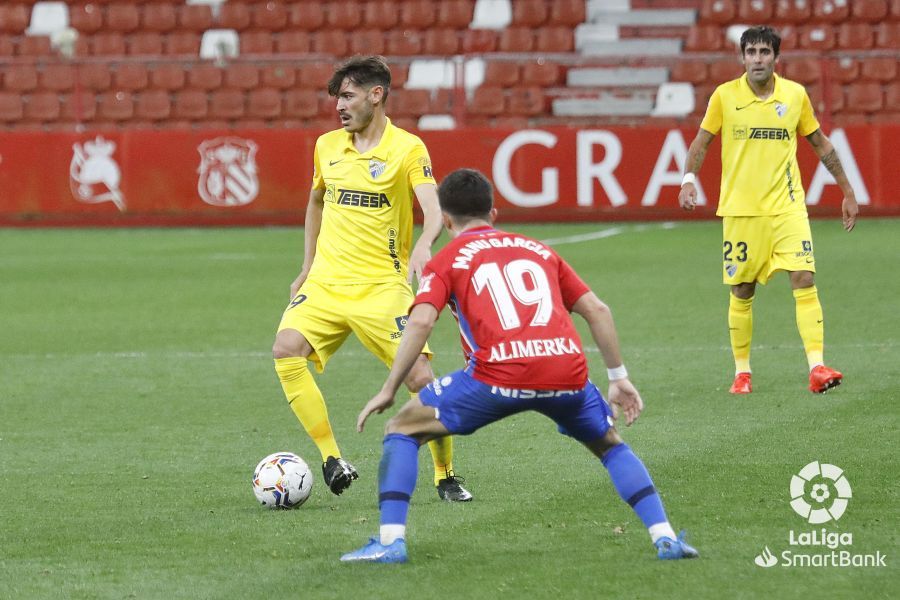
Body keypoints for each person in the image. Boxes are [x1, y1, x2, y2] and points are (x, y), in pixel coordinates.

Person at [340, 169, 699, 563]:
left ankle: (391, 542)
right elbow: (597, 309)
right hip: (566, 372)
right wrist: (618, 378)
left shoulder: (447, 258)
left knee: (402, 428)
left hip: (497, 375)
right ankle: (665, 538)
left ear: (444, 219)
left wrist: (390, 389)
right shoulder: (538, 249)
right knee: (609, 446)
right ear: (493, 212)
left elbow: (422, 321)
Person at [272, 55, 472, 502]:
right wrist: (306, 267)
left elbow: (433, 206)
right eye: (337, 98)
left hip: (382, 286)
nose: (339, 106)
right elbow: (317, 201)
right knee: (286, 350)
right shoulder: (327, 146)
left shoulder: (407, 148)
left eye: (347, 96)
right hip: (326, 282)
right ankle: (330, 458)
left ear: (375, 95)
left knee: (421, 378)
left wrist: (425, 242)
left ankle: (445, 474)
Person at [679, 26, 859, 395]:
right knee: (742, 290)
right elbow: (702, 141)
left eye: (764, 52)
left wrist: (847, 189)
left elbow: (820, 144)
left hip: (787, 208)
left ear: (776, 58)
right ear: (741, 57)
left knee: (804, 279)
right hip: (742, 212)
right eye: (751, 52)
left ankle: (817, 367)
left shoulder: (795, 95)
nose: (757, 58)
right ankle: (742, 373)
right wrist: (688, 178)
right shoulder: (725, 97)